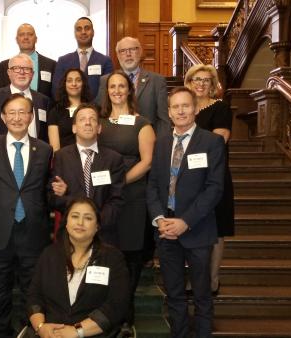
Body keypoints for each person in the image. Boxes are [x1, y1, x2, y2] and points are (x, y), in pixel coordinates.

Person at [146, 86, 225, 338]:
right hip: (166, 230)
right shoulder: (161, 143)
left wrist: (185, 222)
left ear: (195, 109)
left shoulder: (211, 142)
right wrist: (159, 219)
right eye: (175, 107)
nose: (181, 111)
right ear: (169, 112)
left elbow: (214, 189)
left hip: (198, 229)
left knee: (202, 295)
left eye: (186, 106)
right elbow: (153, 185)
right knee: (175, 294)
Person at [0, 94, 53, 338]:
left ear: (31, 117)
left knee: (31, 291)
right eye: (11, 112)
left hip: (33, 232)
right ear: (3, 117)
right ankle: (2, 333)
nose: (17, 117)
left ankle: (27, 332)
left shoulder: (45, 149)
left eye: (23, 112)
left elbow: (46, 189)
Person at [97, 70, 155, 335]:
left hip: (131, 195)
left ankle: (125, 316)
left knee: (130, 257)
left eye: (122, 86)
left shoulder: (142, 123)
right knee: (106, 254)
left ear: (129, 90)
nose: (117, 90)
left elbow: (147, 162)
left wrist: (119, 183)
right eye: (113, 86)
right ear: (107, 91)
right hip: (104, 197)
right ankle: (104, 312)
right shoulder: (98, 122)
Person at [24, 197, 130, 338]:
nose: (80, 223)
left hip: (92, 334)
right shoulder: (49, 255)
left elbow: (117, 305)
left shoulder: (112, 258)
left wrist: (77, 331)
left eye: (88, 218)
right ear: (66, 223)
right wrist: (41, 327)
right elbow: (34, 297)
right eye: (74, 216)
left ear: (97, 226)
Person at [184, 64, 234, 295]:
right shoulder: (186, 109)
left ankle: (212, 280)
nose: (201, 84)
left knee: (216, 229)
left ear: (212, 85)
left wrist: (189, 149)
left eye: (206, 80)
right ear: (190, 83)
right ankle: (193, 279)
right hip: (188, 177)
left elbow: (218, 142)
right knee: (191, 225)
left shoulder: (220, 108)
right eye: (197, 79)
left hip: (214, 176)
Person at [50, 103, 125, 244]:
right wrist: (80, 218)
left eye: (93, 119)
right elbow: (53, 198)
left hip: (103, 235)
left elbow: (116, 200)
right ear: (73, 128)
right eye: (82, 119)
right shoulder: (60, 157)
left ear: (99, 128)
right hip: (69, 234)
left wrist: (95, 222)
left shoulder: (114, 159)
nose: (88, 123)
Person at [96, 37, 170, 137]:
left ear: (140, 52)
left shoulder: (157, 81)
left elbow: (163, 120)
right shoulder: (105, 80)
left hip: (148, 142)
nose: (128, 54)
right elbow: (101, 113)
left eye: (132, 49)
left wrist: (161, 148)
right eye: (123, 51)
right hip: (114, 141)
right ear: (118, 55)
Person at [0, 54, 50, 143]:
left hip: (35, 154)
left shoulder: (43, 100)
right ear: (9, 73)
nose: (22, 72)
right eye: (16, 68)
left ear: (33, 74)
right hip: (1, 154)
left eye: (27, 69)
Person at [52, 17, 113, 99]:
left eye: (87, 28)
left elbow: (108, 89)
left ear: (93, 32)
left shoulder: (105, 61)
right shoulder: (63, 61)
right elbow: (57, 89)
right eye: (79, 29)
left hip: (97, 110)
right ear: (75, 34)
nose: (83, 32)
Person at [0, 23, 57, 99]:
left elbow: (55, 94)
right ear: (17, 40)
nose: (26, 37)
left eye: (30, 34)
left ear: (36, 39)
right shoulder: (3, 66)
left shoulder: (51, 65)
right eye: (21, 35)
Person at [48, 68, 91, 151]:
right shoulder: (55, 112)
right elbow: (55, 149)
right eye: (69, 81)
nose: (74, 84)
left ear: (83, 84)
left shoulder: (92, 109)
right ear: (64, 84)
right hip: (65, 160)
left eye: (78, 80)